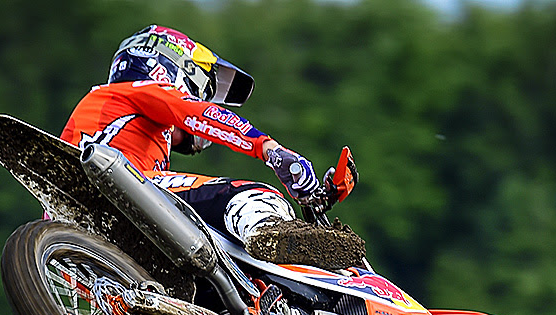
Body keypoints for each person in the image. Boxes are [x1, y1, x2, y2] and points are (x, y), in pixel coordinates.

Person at [59, 24, 364, 269]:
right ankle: (274, 240)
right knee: (255, 195)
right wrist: (270, 149)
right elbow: (198, 115)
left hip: (81, 224)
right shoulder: (134, 91)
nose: (199, 97)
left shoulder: (113, 114)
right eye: (198, 89)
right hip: (122, 190)